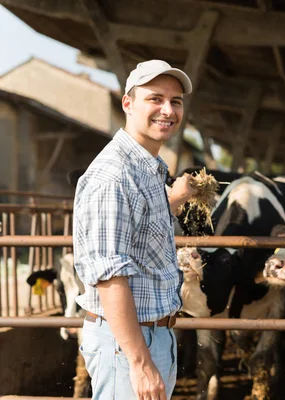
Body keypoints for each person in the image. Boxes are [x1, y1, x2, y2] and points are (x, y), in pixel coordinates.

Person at [72, 59, 198, 399]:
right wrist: (140, 362)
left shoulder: (148, 168)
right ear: (127, 103)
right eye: (155, 98)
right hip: (127, 344)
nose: (167, 110)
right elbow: (110, 274)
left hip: (152, 337)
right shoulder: (114, 175)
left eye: (176, 101)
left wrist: (175, 200)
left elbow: (139, 228)